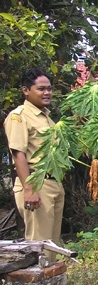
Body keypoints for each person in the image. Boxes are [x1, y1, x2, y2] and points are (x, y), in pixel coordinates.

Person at [3, 68, 64, 262]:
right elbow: (18, 153)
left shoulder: (47, 117)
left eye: (49, 89)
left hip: (53, 183)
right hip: (37, 184)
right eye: (41, 89)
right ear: (26, 90)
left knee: (52, 246)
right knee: (40, 246)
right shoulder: (19, 116)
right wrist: (29, 189)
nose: (47, 93)